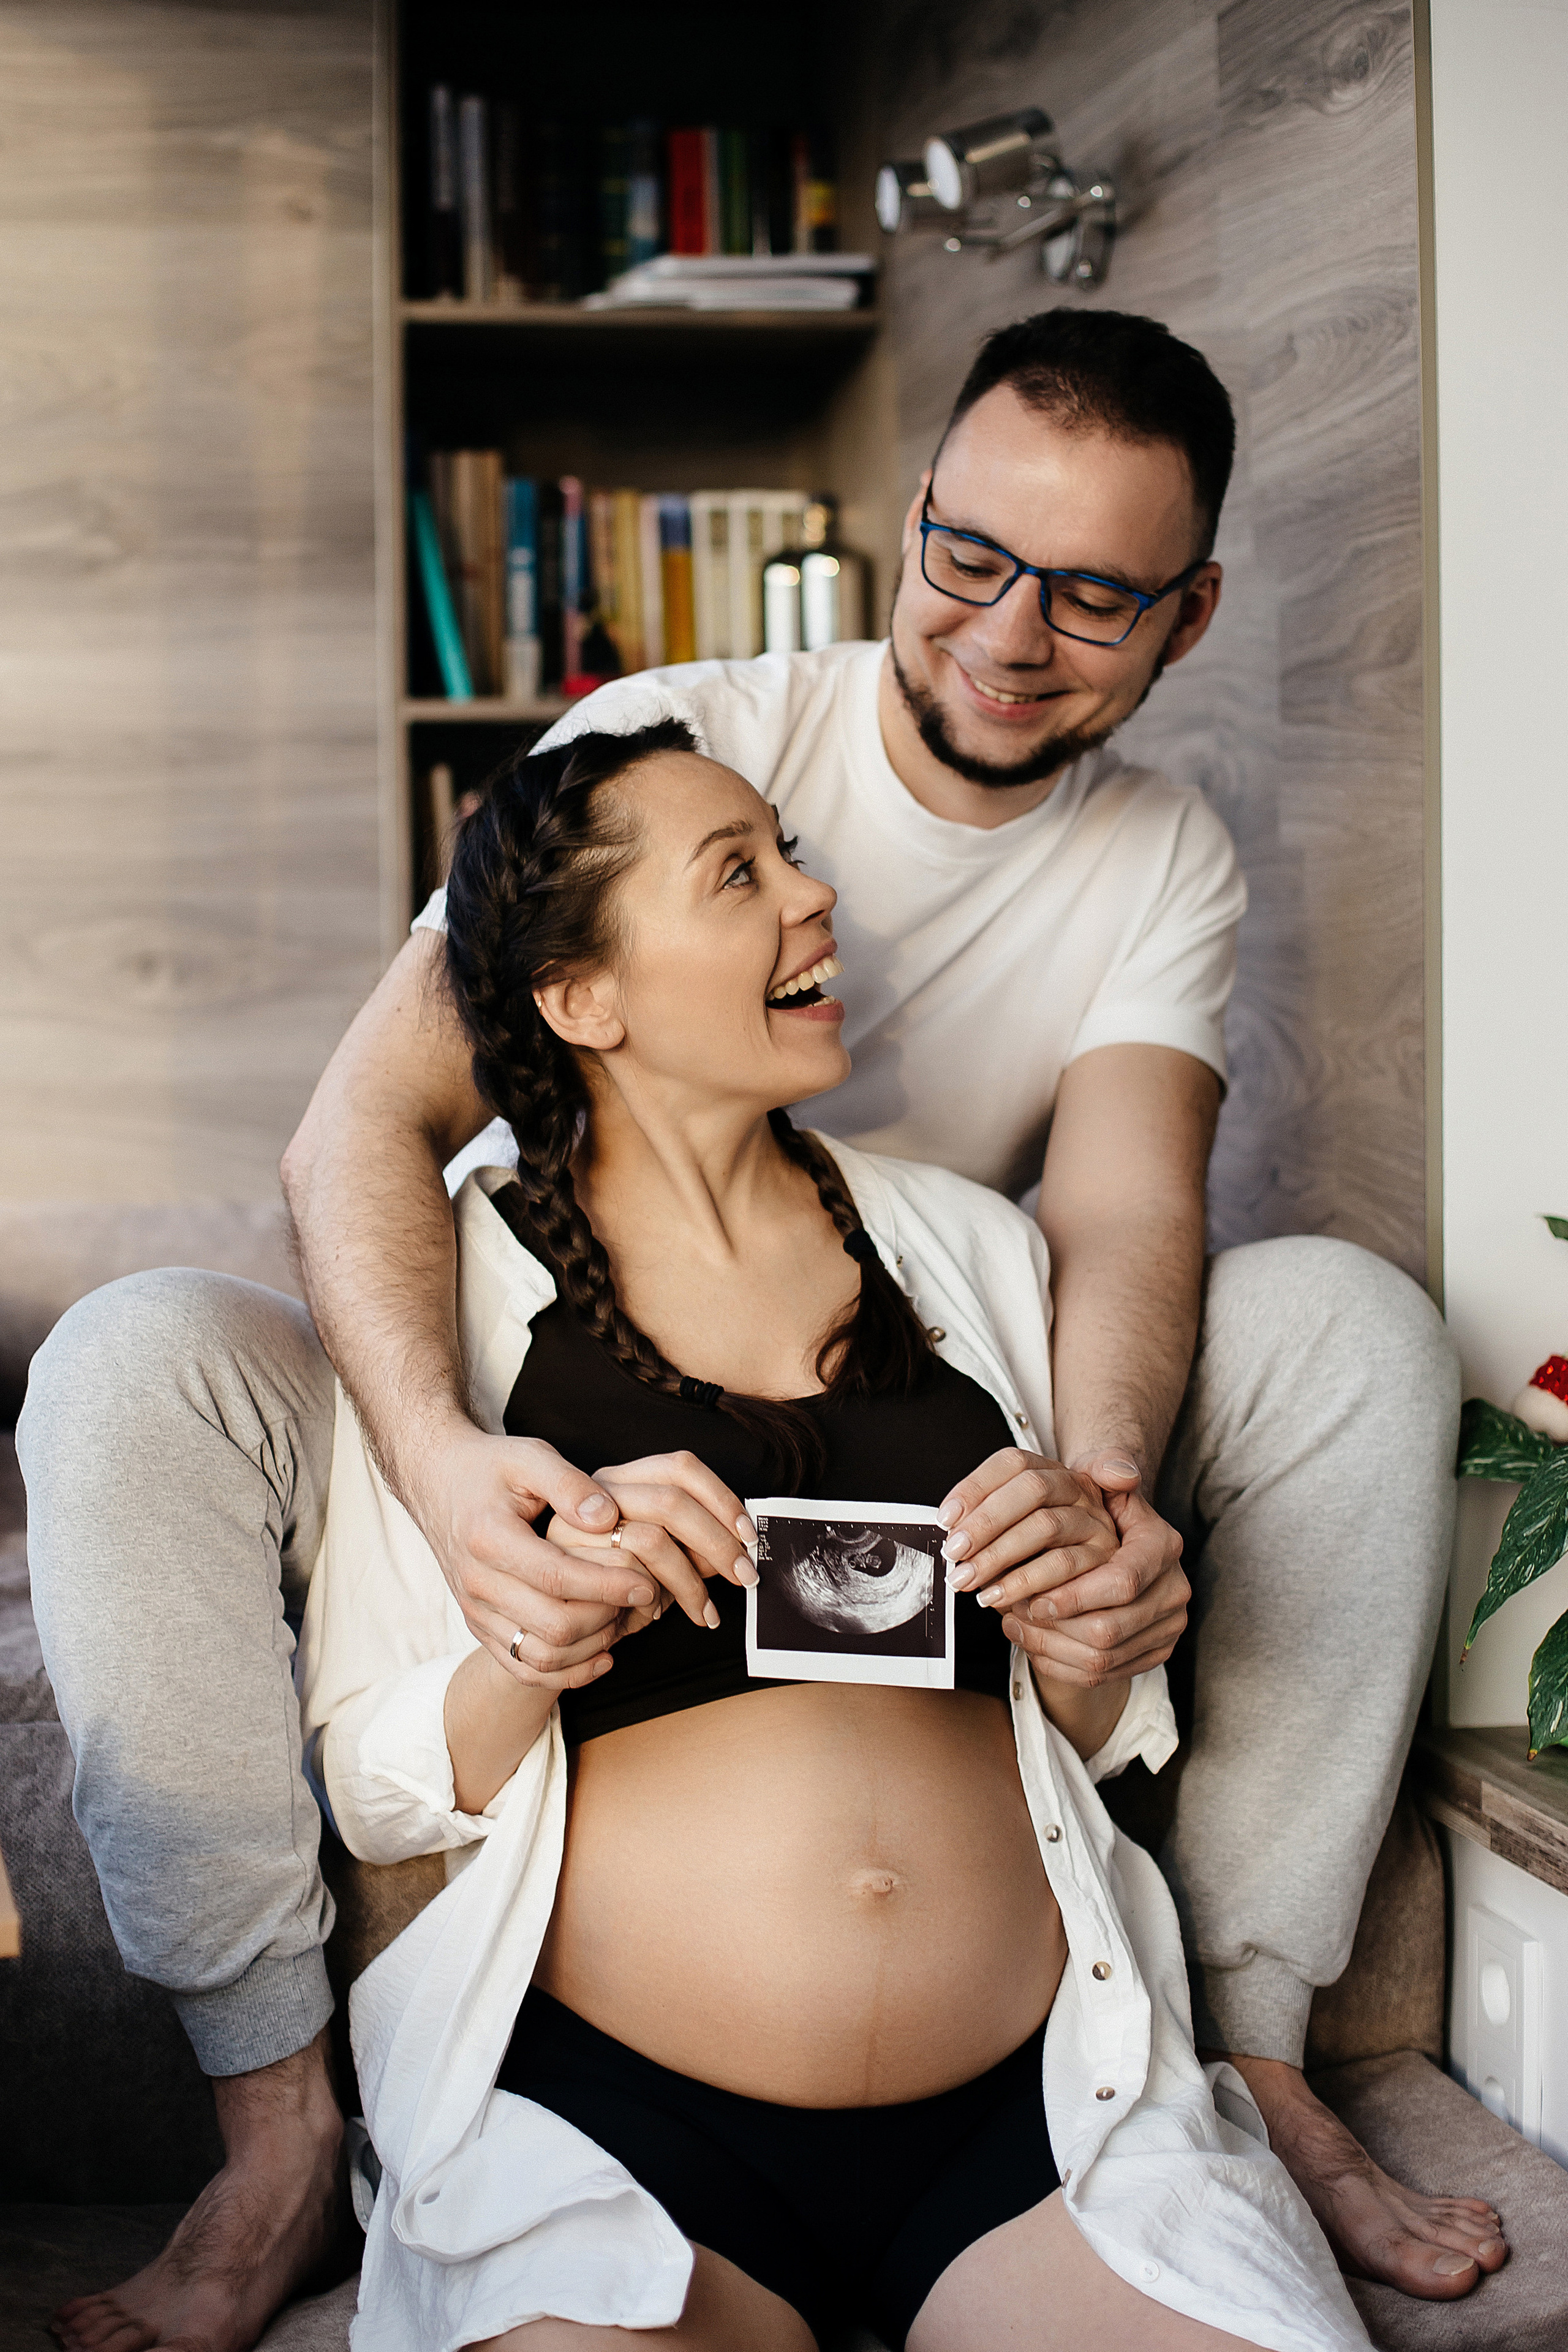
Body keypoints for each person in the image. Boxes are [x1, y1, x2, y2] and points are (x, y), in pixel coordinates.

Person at [18, 309, 1502, 2352]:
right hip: (567, 1371)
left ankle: (1254, 2047)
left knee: (1347, 1320)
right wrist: (455, 1484)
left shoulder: (1134, 905)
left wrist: (1091, 1514)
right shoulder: (682, 732)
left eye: (1092, 595)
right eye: (969, 557)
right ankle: (275, 2136)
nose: (1005, 631)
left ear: (1190, 613)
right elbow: (361, 1120)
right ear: (909, 521)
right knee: (123, 1362)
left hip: (920, 1362)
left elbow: (1130, 1206)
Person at [301, 716, 1369, 2351]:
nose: (819, 900)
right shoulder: (455, 1295)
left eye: (792, 850)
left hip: (1035, 2122)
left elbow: (1093, 1734)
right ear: (585, 997)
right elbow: (380, 1790)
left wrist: (1096, 1638)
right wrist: (539, 1637)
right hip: (614, 2129)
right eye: (742, 873)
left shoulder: (965, 1248)